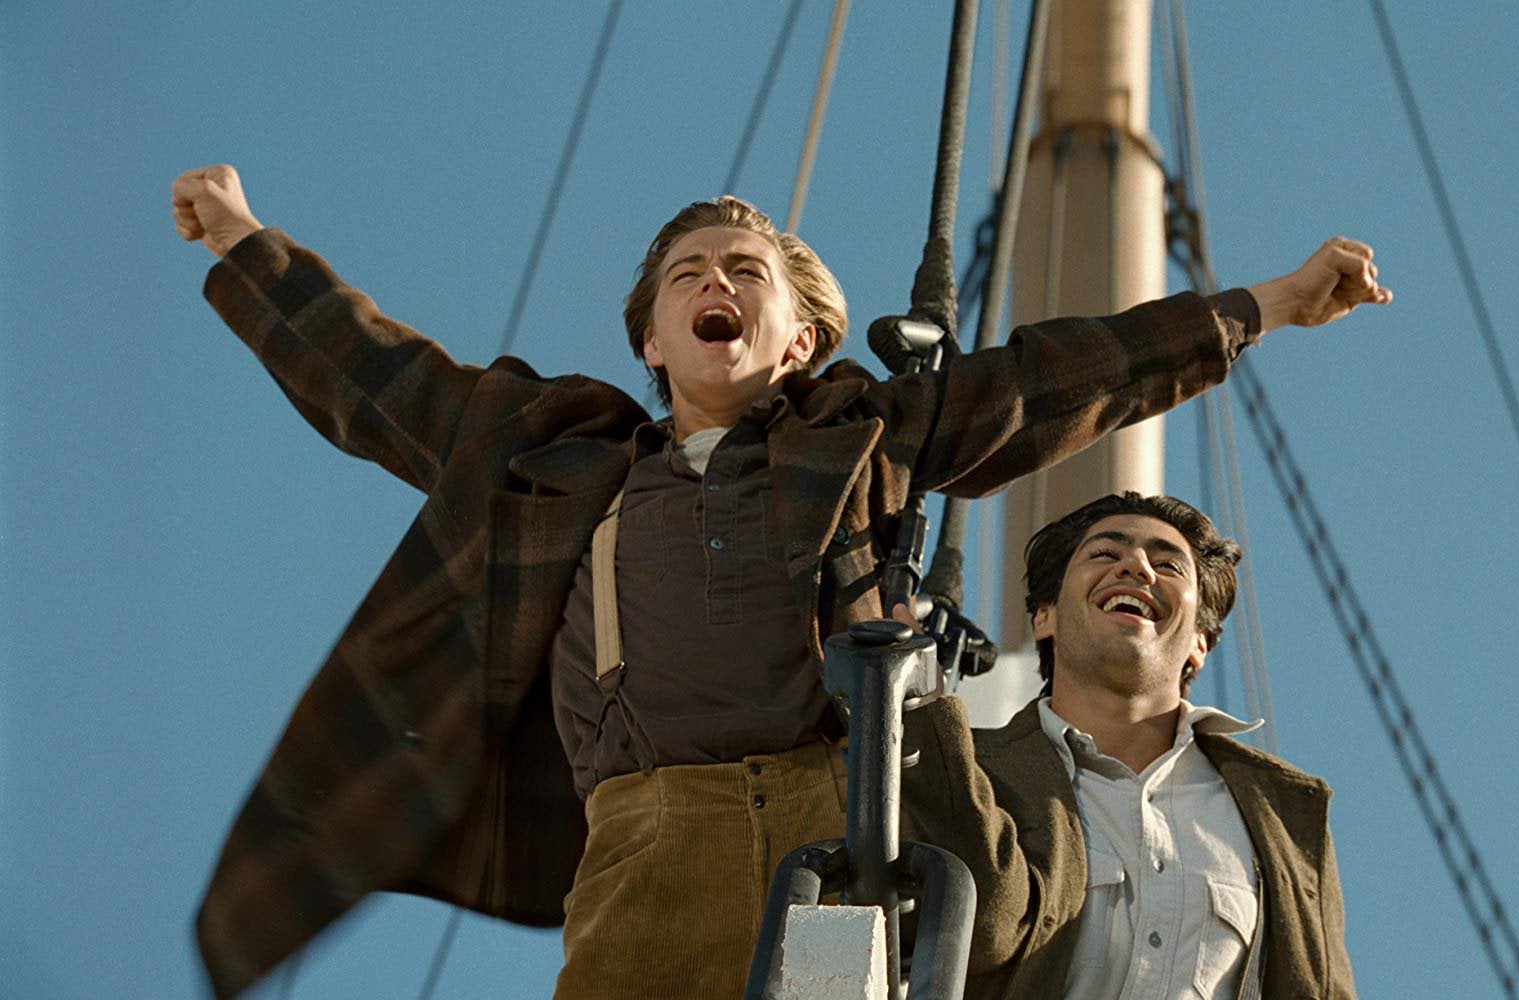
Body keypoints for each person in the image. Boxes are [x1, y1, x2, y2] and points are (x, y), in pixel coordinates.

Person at [170, 163, 1388, 998]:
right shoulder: (548, 457)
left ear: (799, 339)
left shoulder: (863, 437)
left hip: (838, 817)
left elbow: (1047, 379)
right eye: (691, 272)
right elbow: (379, 378)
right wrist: (241, 242)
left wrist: (1262, 306)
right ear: (649, 335)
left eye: (747, 272)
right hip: (647, 843)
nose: (719, 285)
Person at [900, 493, 1356, 999]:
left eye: (1167, 564)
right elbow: (977, 930)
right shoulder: (964, 768)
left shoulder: (1283, 818)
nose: (1137, 567)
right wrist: (920, 710)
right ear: (1044, 616)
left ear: (1200, 641)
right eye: (1104, 554)